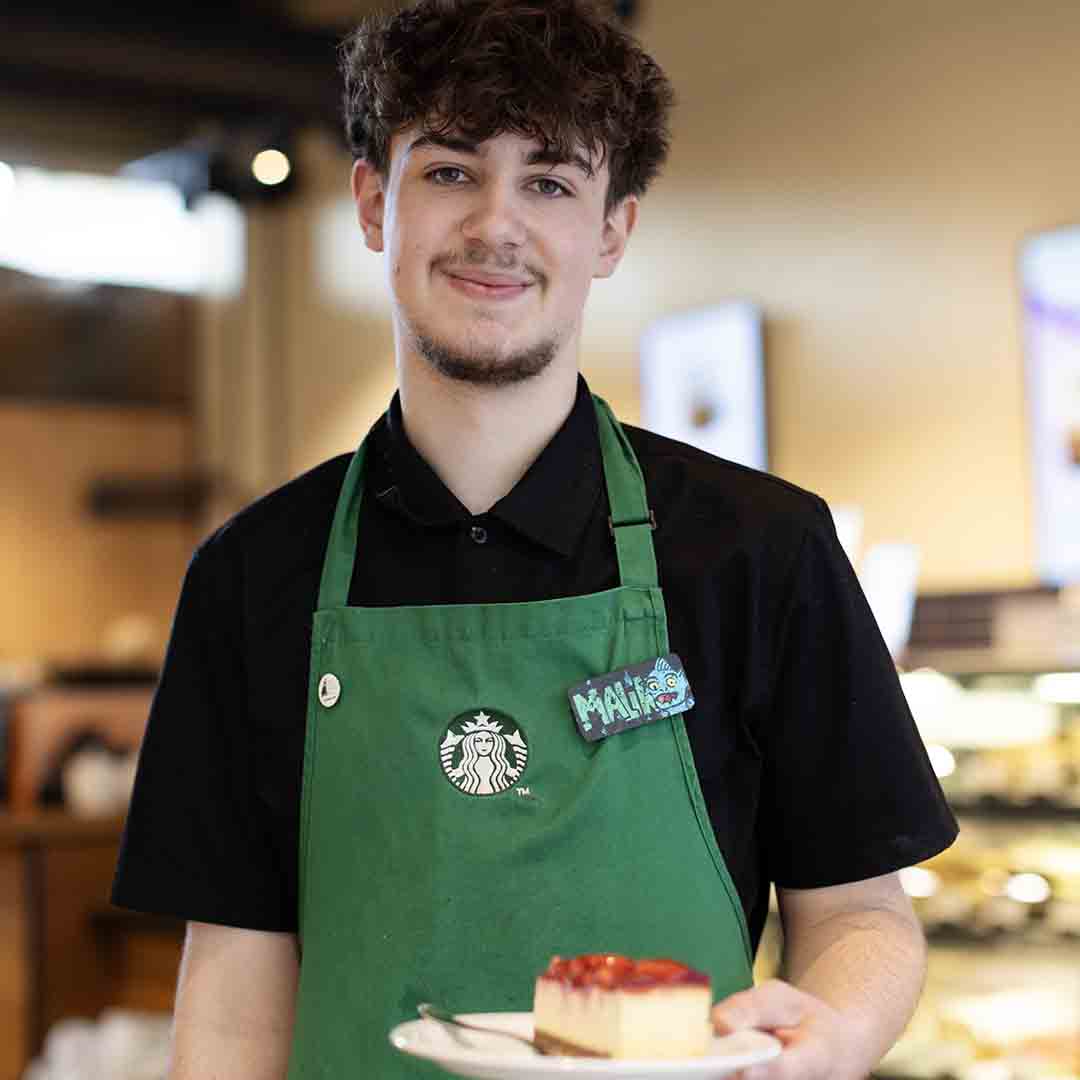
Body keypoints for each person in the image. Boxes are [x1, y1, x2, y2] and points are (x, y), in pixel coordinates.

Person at [111, 1, 958, 1077]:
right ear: (376, 203)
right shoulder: (250, 576)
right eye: (452, 171)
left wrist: (831, 1032)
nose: (496, 225)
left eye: (551, 182)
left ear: (612, 230)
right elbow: (232, 995)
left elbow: (861, 916)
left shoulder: (763, 550)